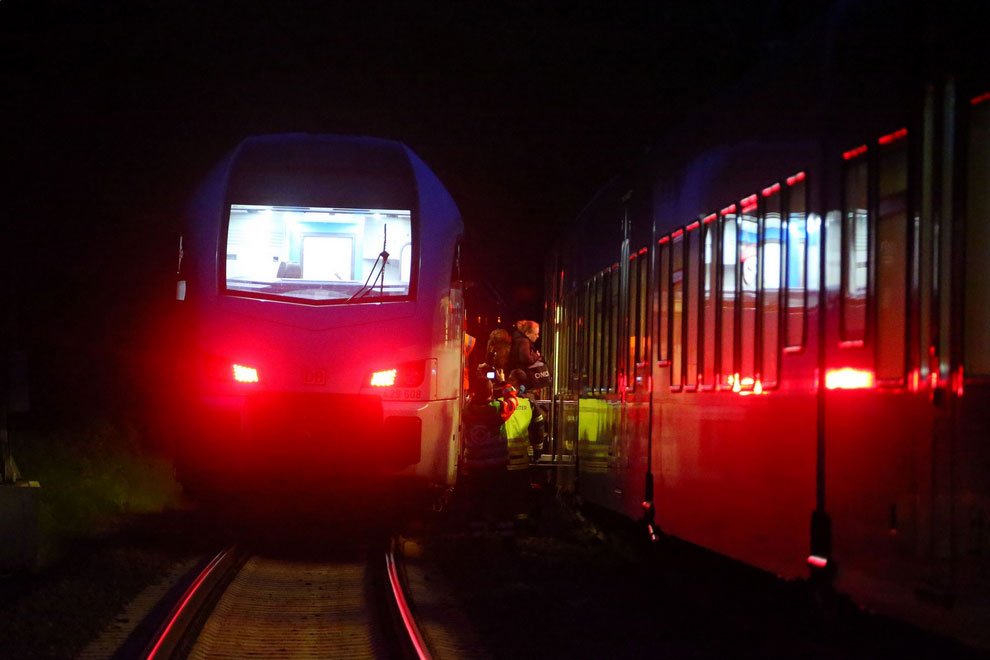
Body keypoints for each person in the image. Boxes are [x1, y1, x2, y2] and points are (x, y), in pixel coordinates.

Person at [460, 369, 519, 537]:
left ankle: (477, 529)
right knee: (499, 497)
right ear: (491, 392)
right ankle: (504, 529)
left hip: (475, 463)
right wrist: (502, 382)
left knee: (477, 499)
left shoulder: (467, 410)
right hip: (497, 463)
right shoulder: (498, 408)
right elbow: (513, 399)